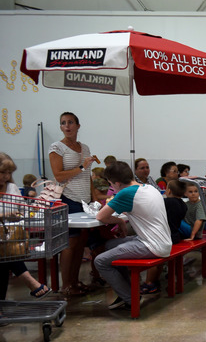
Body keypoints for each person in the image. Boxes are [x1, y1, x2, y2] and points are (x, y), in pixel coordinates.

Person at [94, 161, 172, 310]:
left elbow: (101, 217)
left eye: (111, 184)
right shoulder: (148, 187)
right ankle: (128, 292)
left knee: (100, 261)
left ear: (116, 183)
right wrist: (121, 222)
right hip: (162, 241)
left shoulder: (126, 192)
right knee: (110, 245)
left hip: (151, 245)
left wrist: (119, 222)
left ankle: (131, 299)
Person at [49, 111, 100, 297]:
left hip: (84, 200)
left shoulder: (84, 148)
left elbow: (88, 177)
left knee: (81, 243)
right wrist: (81, 167)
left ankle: (76, 281)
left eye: (71, 122)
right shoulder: (57, 147)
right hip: (68, 198)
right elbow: (58, 175)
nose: (67, 126)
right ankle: (66, 284)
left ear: (78, 125)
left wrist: (93, 197)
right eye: (63, 123)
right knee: (70, 243)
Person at [0, 154, 51, 299]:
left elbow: (21, 208)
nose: (6, 176)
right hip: (5, 241)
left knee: (5, 258)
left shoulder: (11, 187)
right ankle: (31, 282)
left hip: (9, 237)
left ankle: (2, 305)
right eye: (3, 172)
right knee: (5, 255)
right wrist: (6, 214)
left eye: (9, 173)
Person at [141, 179, 188, 295]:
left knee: (154, 257)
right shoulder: (183, 204)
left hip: (164, 237)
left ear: (169, 190)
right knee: (159, 261)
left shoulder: (168, 202)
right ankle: (154, 281)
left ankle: (149, 283)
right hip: (175, 236)